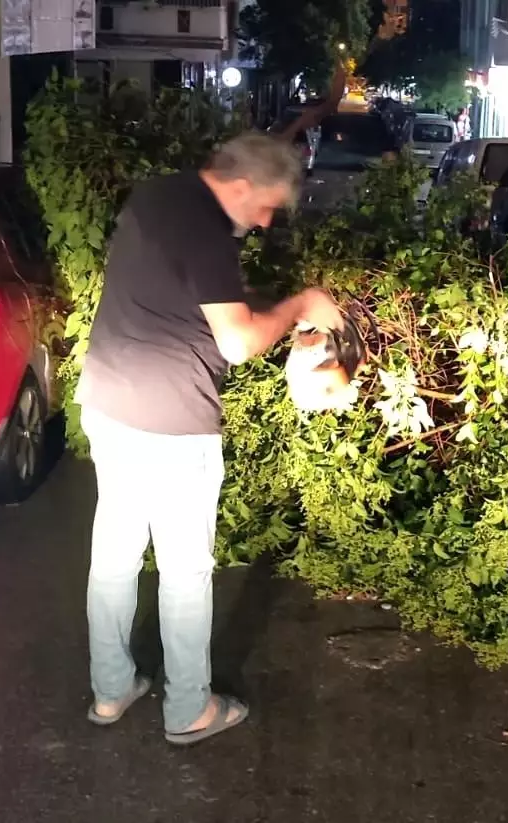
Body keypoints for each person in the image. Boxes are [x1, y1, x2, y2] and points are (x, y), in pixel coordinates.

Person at [77, 131, 344, 746]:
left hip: (110, 402)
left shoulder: (158, 195)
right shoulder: (209, 235)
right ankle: (189, 709)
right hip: (172, 423)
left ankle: (111, 691)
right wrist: (301, 301)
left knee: (114, 557)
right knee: (184, 570)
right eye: (267, 204)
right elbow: (238, 343)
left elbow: (186, 294)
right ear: (241, 186)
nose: (267, 219)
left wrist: (271, 309)